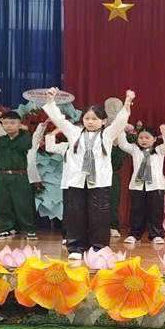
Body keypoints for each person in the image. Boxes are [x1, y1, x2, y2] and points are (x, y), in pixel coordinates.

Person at [42, 87, 133, 260]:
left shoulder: (107, 135)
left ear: (104, 121)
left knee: (99, 215)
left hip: (99, 182)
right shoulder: (74, 132)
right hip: (76, 181)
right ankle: (76, 248)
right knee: (75, 214)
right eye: (87, 118)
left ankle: (99, 248)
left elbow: (119, 122)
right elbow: (59, 119)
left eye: (95, 119)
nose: (90, 122)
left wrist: (127, 104)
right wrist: (51, 101)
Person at [118, 123, 165, 245]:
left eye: (147, 137)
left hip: (156, 185)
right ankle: (134, 234)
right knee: (137, 211)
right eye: (141, 137)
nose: (143, 140)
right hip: (138, 186)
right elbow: (122, 144)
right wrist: (122, 129)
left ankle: (156, 235)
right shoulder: (135, 150)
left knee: (155, 211)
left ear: (154, 139)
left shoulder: (159, 150)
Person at [0, 111, 37, 240]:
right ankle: (5, 229)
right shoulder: (0, 139)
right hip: (2, 176)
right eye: (5, 123)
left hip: (19, 176)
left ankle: (29, 229)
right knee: (3, 204)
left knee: (23, 204)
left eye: (13, 123)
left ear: (19, 124)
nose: (9, 126)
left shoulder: (25, 137)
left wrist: (24, 131)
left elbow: (23, 146)